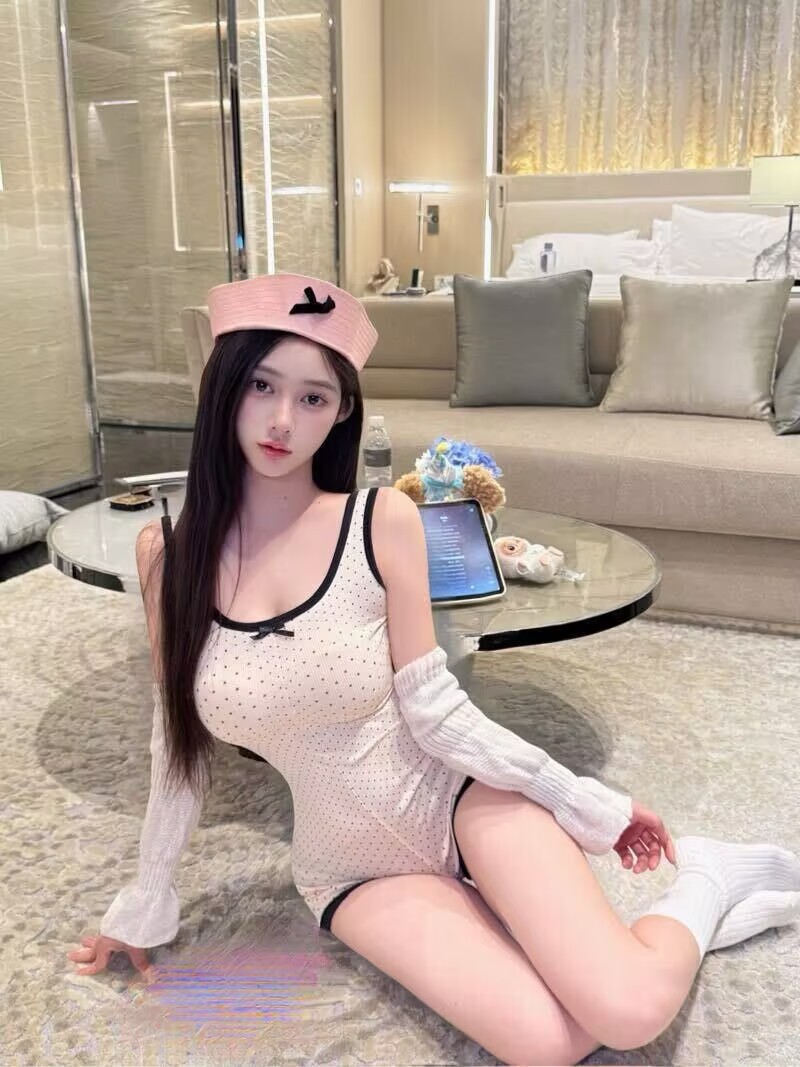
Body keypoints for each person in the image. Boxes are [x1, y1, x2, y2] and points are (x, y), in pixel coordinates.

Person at [67, 273, 800, 1065]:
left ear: (341, 411)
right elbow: (176, 751)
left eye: (314, 397)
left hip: (459, 797)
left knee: (624, 1012)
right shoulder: (167, 557)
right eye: (261, 385)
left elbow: (437, 708)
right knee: (550, 1042)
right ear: (223, 387)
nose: (282, 420)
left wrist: (587, 801)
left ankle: (705, 881)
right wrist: (143, 904)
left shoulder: (380, 518)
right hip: (347, 868)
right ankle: (597, 925)